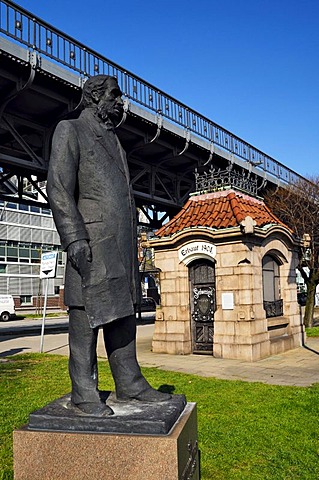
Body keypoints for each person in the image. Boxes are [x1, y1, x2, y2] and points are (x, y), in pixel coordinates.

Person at [47, 75, 170, 416]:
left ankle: (129, 383)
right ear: (94, 96)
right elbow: (58, 188)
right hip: (92, 242)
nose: (120, 101)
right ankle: (84, 393)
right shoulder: (70, 130)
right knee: (85, 318)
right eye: (115, 95)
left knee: (122, 314)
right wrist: (74, 238)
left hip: (120, 247)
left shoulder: (114, 139)